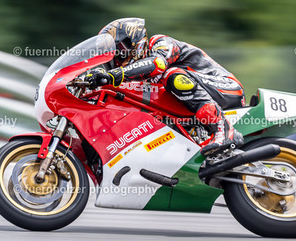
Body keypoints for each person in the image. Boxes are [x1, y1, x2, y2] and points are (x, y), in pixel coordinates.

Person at [85, 17, 245, 156]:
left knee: (172, 76)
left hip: (226, 87)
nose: (115, 59)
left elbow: (158, 63)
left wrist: (114, 75)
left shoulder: (160, 42)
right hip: (199, 101)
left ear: (133, 41)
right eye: (110, 56)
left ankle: (224, 129)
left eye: (118, 51)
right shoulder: (135, 78)